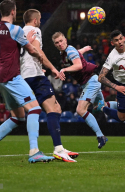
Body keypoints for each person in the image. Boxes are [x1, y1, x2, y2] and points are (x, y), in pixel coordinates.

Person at [0, 0, 54, 163]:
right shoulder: (16, 29)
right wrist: (40, 58)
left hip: (1, 78)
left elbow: (9, 47)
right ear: (13, 12)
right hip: (12, 76)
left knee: (18, 117)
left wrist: (23, 39)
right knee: (34, 109)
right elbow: (32, 50)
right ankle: (34, 151)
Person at [20, 9, 78, 162]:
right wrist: (52, 69)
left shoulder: (19, 33)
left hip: (24, 75)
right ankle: (58, 149)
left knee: (55, 108)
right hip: (35, 76)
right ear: (35, 20)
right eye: (39, 19)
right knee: (52, 108)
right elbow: (37, 50)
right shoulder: (34, 30)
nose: (40, 21)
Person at [52, 32, 108, 149]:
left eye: (61, 41)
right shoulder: (66, 52)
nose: (60, 44)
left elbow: (79, 66)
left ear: (65, 41)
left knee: (80, 109)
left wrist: (64, 69)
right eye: (57, 43)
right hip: (91, 80)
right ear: (55, 45)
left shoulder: (69, 50)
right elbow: (75, 54)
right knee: (101, 107)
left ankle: (100, 136)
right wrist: (83, 50)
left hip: (90, 81)